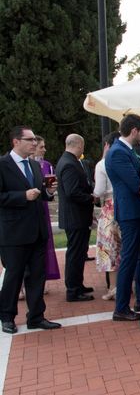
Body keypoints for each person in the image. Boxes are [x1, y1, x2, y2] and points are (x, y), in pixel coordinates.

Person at [0, 126, 61, 334]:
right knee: (13, 276)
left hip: (37, 231)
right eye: (30, 139)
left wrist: (48, 192)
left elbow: (40, 195)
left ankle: (36, 316)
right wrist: (22, 196)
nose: (34, 143)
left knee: (37, 276)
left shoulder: (35, 166)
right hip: (14, 233)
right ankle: (7, 317)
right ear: (16, 141)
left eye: (35, 139)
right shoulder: (2, 165)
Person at [105, 114, 140, 322]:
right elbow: (136, 185)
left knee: (138, 258)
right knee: (129, 258)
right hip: (131, 213)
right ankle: (121, 307)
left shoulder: (126, 151)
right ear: (133, 131)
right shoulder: (118, 153)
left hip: (136, 211)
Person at [56, 134, 96, 302]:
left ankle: (77, 285)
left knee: (79, 253)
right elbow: (72, 192)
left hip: (77, 216)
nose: (83, 149)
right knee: (75, 253)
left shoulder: (67, 161)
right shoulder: (69, 164)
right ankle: (73, 289)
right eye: (82, 146)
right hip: (75, 216)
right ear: (78, 145)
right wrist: (91, 198)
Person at [93, 131, 122, 301]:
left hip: (109, 207)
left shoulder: (102, 164)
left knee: (109, 248)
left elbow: (99, 190)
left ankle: (113, 287)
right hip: (126, 205)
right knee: (126, 247)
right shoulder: (129, 158)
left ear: (106, 145)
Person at [33, 136, 61, 284]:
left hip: (42, 207)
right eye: (41, 147)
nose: (44, 150)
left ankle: (40, 278)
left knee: (43, 245)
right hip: (27, 208)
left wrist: (51, 190)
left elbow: (49, 191)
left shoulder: (46, 165)